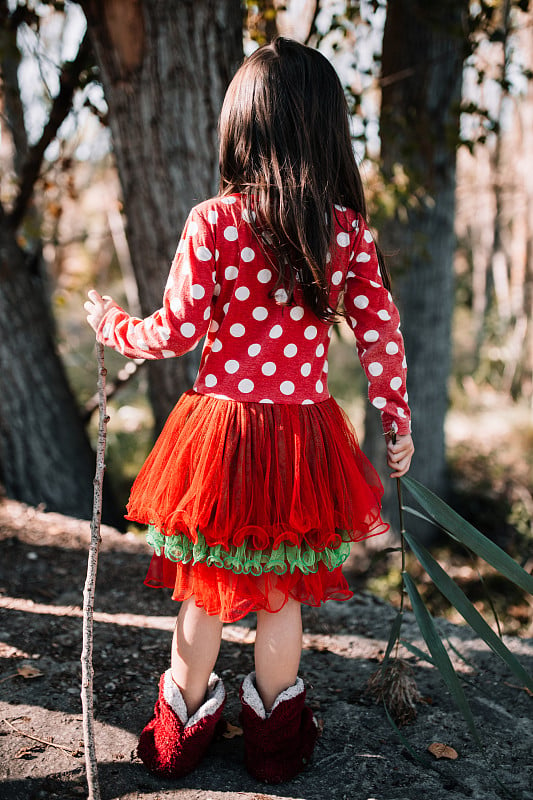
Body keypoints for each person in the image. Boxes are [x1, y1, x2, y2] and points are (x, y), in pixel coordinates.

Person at [85, 36, 414, 785]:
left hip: (221, 437)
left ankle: (180, 732)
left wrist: (111, 325)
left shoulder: (213, 222)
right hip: (301, 438)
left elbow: (171, 331)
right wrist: (395, 422)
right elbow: (380, 334)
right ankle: (272, 741)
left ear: (242, 125)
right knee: (277, 595)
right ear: (325, 128)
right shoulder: (344, 232)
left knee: (203, 588)